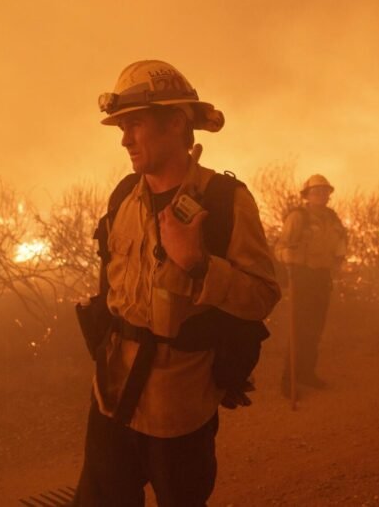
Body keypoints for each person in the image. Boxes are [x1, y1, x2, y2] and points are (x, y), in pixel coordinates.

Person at [73, 60, 281, 506]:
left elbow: (263, 294)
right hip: (111, 394)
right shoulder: (123, 197)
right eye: (121, 128)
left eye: (135, 124)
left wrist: (199, 264)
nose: (125, 138)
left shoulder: (226, 201)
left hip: (179, 407)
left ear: (175, 123)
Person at [275, 174, 347, 397]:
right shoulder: (298, 217)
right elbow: (280, 246)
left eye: (325, 192)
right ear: (307, 195)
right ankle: (289, 380)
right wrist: (287, 256)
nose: (322, 195)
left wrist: (339, 259)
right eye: (317, 192)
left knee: (315, 329)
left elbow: (340, 243)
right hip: (302, 276)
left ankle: (307, 373)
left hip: (322, 277)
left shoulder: (332, 218)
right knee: (299, 328)